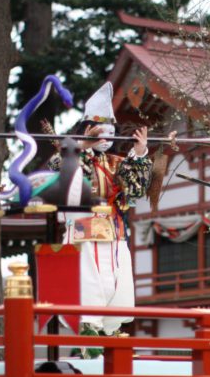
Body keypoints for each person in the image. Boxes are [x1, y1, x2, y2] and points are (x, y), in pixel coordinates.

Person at [47, 81, 166, 336]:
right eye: (100, 132)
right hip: (84, 230)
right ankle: (89, 327)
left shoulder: (117, 162)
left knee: (117, 281)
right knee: (89, 282)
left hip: (115, 230)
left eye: (110, 133)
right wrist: (83, 146)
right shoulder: (73, 154)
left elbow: (135, 190)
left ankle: (111, 328)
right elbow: (57, 166)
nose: (105, 139)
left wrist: (140, 152)